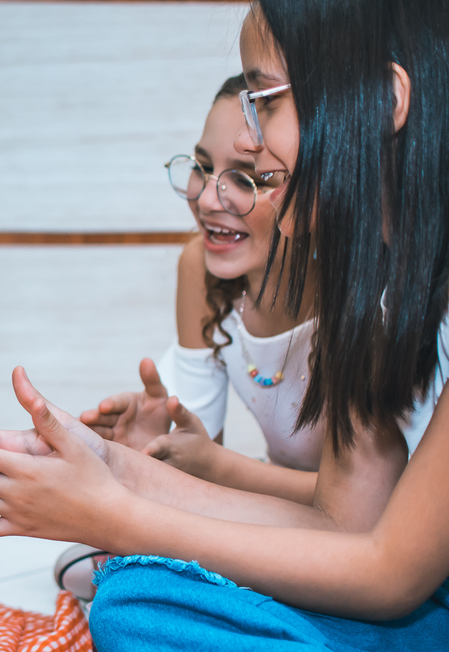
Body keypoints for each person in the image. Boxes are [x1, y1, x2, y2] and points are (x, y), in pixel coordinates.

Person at [0, 0, 449, 652]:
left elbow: (388, 572)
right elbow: (351, 521)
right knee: (137, 602)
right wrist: (113, 469)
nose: (250, 143)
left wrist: (114, 512)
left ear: (386, 98)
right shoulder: (387, 277)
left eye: (267, 100)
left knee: (145, 584)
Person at [59, 74, 317, 600]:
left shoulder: (357, 298)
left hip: (372, 530)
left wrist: (215, 467)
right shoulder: (201, 267)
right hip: (282, 507)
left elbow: (373, 510)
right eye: (202, 167)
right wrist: (158, 446)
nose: (206, 198)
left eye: (245, 177)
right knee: (88, 564)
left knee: (131, 591)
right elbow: (198, 480)